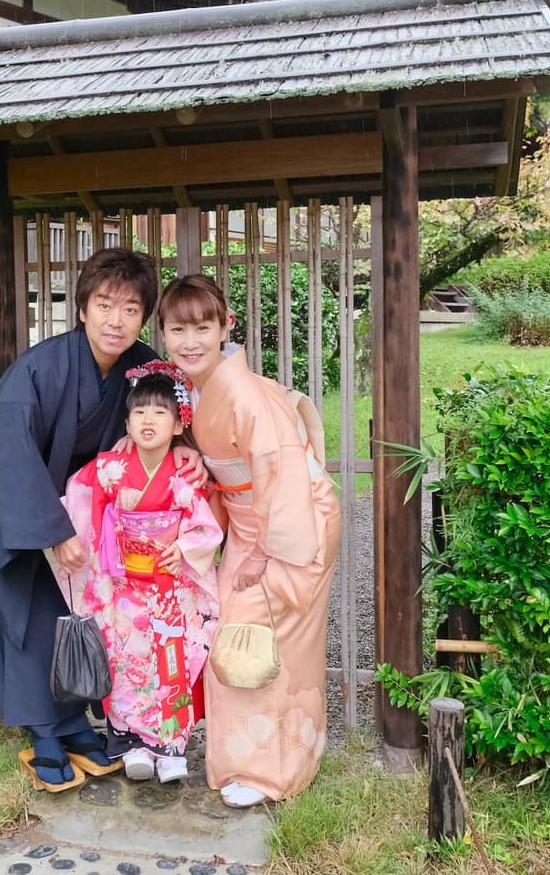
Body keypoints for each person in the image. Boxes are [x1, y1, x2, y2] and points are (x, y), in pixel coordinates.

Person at [0, 247, 172, 793]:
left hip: (90, 521)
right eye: (104, 304)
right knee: (37, 619)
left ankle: (75, 723)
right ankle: (45, 732)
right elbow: (8, 451)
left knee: (82, 618)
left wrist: (189, 453)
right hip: (25, 512)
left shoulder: (141, 369)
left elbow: (170, 422)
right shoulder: (39, 369)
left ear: (143, 317)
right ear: (82, 308)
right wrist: (53, 531)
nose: (116, 319)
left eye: (131, 308)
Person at [158, 274, 341, 809]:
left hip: (290, 522)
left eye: (202, 328)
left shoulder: (241, 393)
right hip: (249, 518)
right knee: (231, 628)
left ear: (225, 328)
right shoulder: (197, 387)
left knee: (261, 632)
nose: (189, 342)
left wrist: (264, 552)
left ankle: (269, 770)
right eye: (177, 330)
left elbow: (277, 468)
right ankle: (256, 758)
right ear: (164, 333)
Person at [53, 363, 222, 784]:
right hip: (122, 586)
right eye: (140, 412)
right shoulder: (111, 468)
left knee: (171, 661)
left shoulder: (183, 472)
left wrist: (183, 548)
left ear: (179, 423)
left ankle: (170, 746)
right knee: (124, 659)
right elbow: (78, 493)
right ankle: (129, 742)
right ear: (126, 422)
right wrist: (89, 539)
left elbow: (204, 525)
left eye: (160, 412)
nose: (148, 420)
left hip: (169, 586)